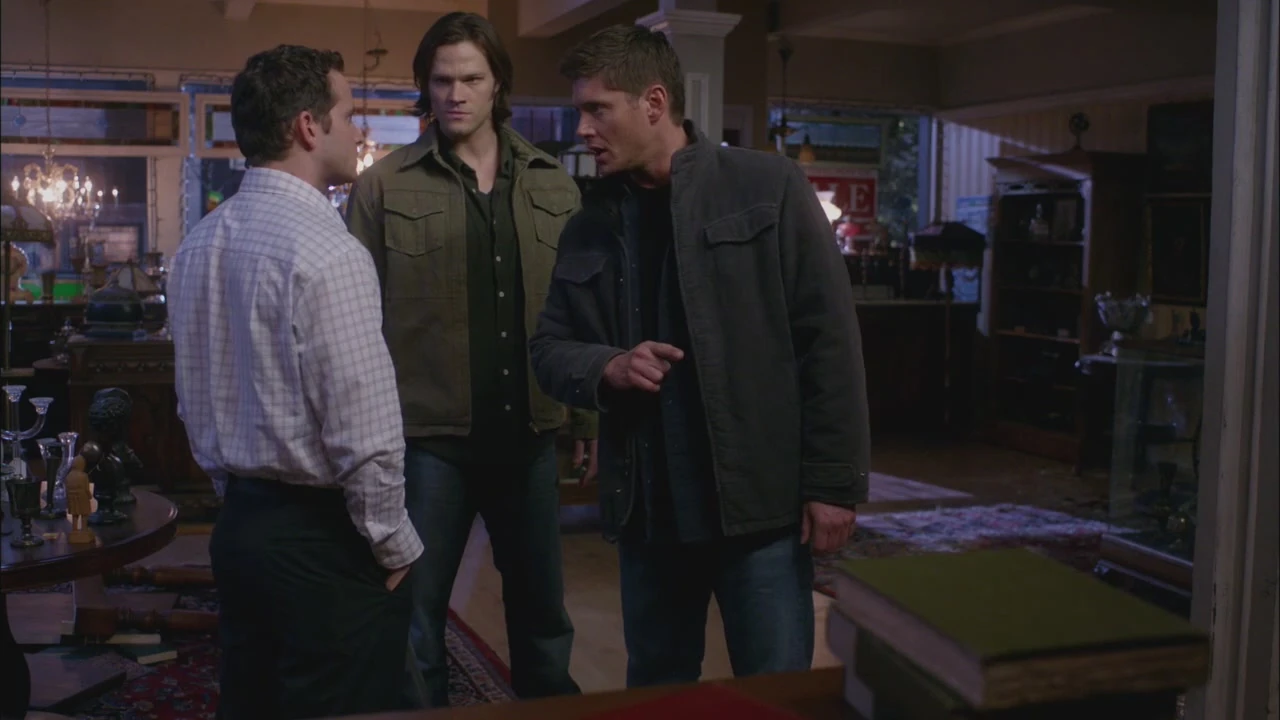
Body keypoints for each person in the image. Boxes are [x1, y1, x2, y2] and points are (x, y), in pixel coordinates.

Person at [530, 25, 871, 687]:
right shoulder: (590, 223)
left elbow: (829, 342)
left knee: (775, 688)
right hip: (650, 513)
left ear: (654, 103)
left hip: (758, 508)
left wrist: (834, 486)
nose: (583, 129)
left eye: (597, 109)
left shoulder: (768, 187)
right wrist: (607, 366)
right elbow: (548, 348)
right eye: (580, 111)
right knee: (658, 688)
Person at [168, 45, 422, 719]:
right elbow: (364, 429)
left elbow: (193, 403)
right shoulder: (329, 251)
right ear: (310, 126)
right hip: (321, 539)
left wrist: (238, 494)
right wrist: (394, 542)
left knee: (251, 702)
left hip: (240, 527)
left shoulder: (198, 244)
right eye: (350, 114)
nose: (359, 131)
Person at [345, 12, 585, 706]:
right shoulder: (383, 185)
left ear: (497, 82)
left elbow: (580, 316)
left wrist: (586, 421)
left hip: (530, 436)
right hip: (428, 444)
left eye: (471, 79)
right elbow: (355, 324)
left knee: (543, 619)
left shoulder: (554, 184)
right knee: (415, 620)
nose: (455, 94)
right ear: (425, 85)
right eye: (442, 80)